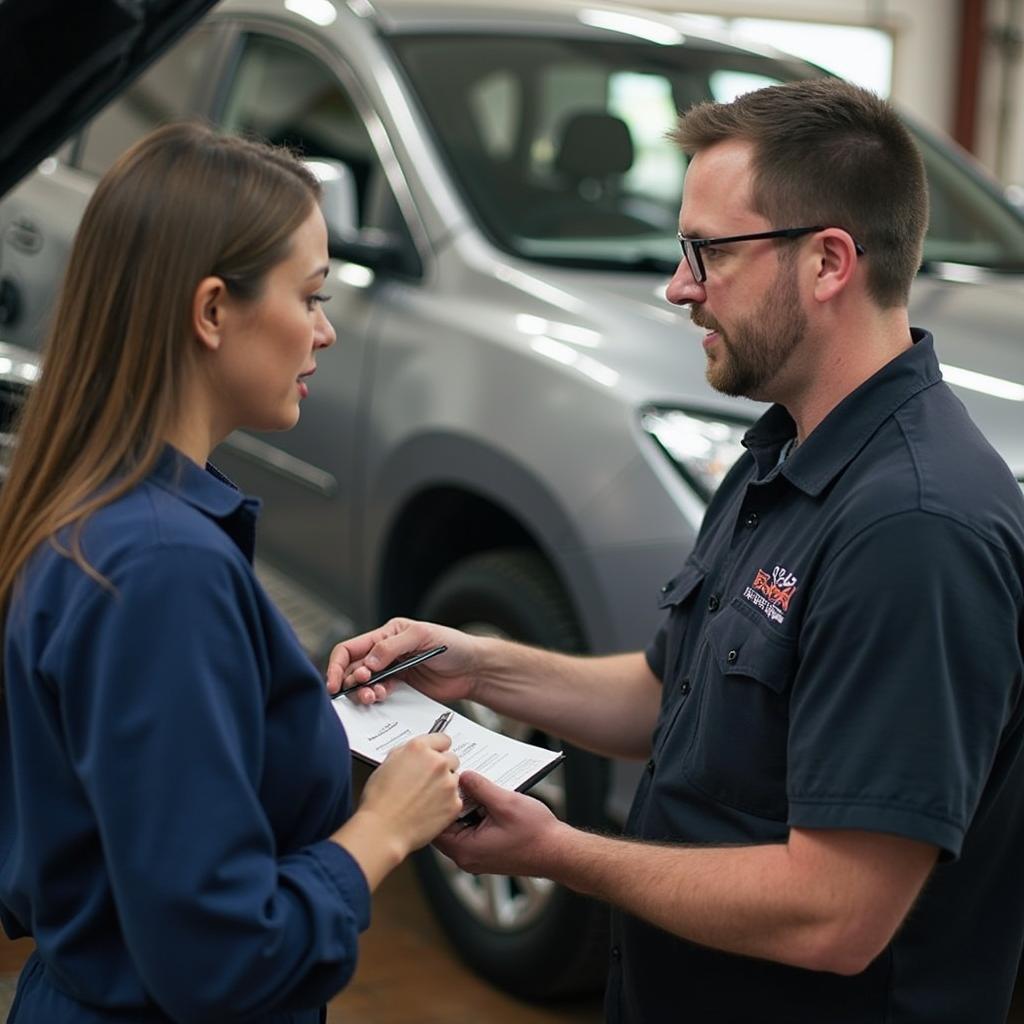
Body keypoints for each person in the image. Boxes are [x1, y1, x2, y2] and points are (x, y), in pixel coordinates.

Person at [329, 79, 1024, 1023]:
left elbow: (839, 914)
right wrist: (483, 665)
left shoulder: (913, 530)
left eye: (709, 251)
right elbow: (672, 695)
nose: (679, 285)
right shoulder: (785, 451)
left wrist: (559, 853)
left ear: (828, 262)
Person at [0, 123, 463, 1023]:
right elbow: (218, 956)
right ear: (212, 310)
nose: (326, 332)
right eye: (312, 295)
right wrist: (385, 827)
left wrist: (269, 713)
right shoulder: (164, 567)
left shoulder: (92, 512)